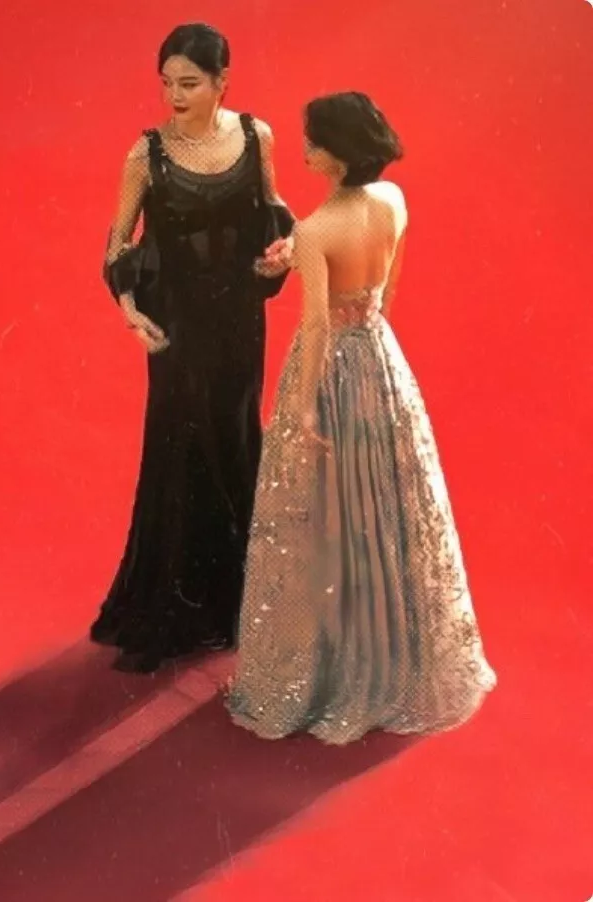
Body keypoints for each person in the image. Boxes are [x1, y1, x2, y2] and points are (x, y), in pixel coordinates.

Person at [227, 92, 496, 743]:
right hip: (380, 352)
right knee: (387, 505)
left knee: (326, 509)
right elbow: (387, 283)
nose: (305, 149)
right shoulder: (393, 200)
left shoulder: (318, 228)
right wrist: (323, 278)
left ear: (340, 155)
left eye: (314, 141)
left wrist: (303, 405)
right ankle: (395, 652)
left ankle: (334, 664)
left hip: (330, 372)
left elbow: (318, 325)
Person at [90, 24, 295, 673]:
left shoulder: (257, 137)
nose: (174, 96)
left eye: (189, 83)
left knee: (235, 442)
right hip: (176, 328)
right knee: (179, 449)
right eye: (166, 83)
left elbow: (274, 207)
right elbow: (118, 242)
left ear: (221, 81)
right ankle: (170, 613)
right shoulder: (144, 154)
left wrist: (286, 248)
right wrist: (130, 312)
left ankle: (240, 606)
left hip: (238, 321)